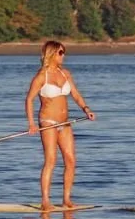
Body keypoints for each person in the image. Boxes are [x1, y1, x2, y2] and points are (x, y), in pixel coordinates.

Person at [25, 41, 95, 210]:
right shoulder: (42, 76)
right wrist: (32, 124)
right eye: (61, 53)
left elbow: (76, 94)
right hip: (48, 121)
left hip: (65, 123)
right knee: (51, 160)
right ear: (52, 54)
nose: (63, 56)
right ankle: (45, 201)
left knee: (70, 160)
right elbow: (29, 100)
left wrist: (86, 109)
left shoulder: (65, 74)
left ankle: (66, 199)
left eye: (64, 52)